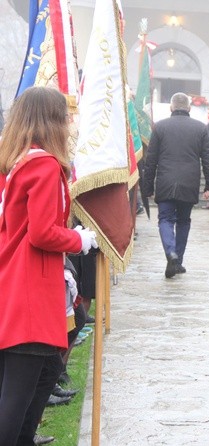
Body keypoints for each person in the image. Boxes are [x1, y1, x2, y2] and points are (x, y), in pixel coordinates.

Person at [0, 86, 97, 445]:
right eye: (65, 116)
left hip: (12, 282)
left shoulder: (15, 160)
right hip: (30, 291)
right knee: (15, 403)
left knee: (40, 379)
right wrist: (79, 240)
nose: (70, 124)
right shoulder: (42, 165)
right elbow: (42, 232)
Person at [143, 92, 209, 278]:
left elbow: (150, 160)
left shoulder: (159, 127)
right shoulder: (200, 128)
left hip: (166, 181)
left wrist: (148, 186)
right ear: (189, 108)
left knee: (165, 219)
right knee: (184, 221)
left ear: (171, 107)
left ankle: (171, 253)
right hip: (188, 182)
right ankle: (178, 260)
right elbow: (208, 159)